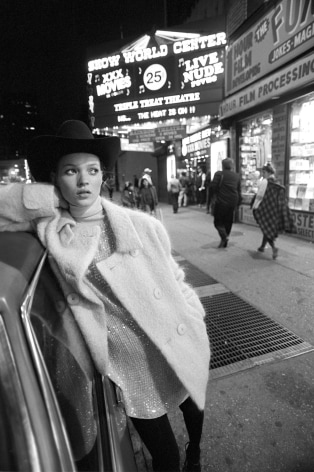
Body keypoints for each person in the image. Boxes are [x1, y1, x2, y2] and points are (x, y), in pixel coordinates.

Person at [0, 120, 210, 472]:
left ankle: (198, 451)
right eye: (71, 171)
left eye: (92, 170)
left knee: (194, 409)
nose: (83, 180)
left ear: (103, 176)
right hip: (128, 365)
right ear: (55, 177)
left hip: (172, 337)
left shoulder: (142, 225)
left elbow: (175, 277)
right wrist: (49, 195)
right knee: (166, 458)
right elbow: (4, 207)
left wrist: (192, 314)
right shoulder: (55, 232)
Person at [251, 162, 296, 259]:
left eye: (264, 172)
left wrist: (255, 207)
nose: (263, 174)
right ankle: (262, 247)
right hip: (275, 210)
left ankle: (274, 248)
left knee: (266, 228)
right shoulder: (277, 182)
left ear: (267, 172)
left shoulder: (265, 182)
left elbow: (260, 196)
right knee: (267, 227)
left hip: (266, 209)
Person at [208, 158, 242, 248]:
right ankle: (224, 241)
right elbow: (238, 190)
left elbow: (212, 187)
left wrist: (212, 197)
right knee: (228, 221)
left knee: (217, 222)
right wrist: (238, 203)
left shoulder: (219, 174)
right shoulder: (236, 176)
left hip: (221, 202)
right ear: (232, 166)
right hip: (232, 202)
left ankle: (224, 237)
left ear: (222, 166)